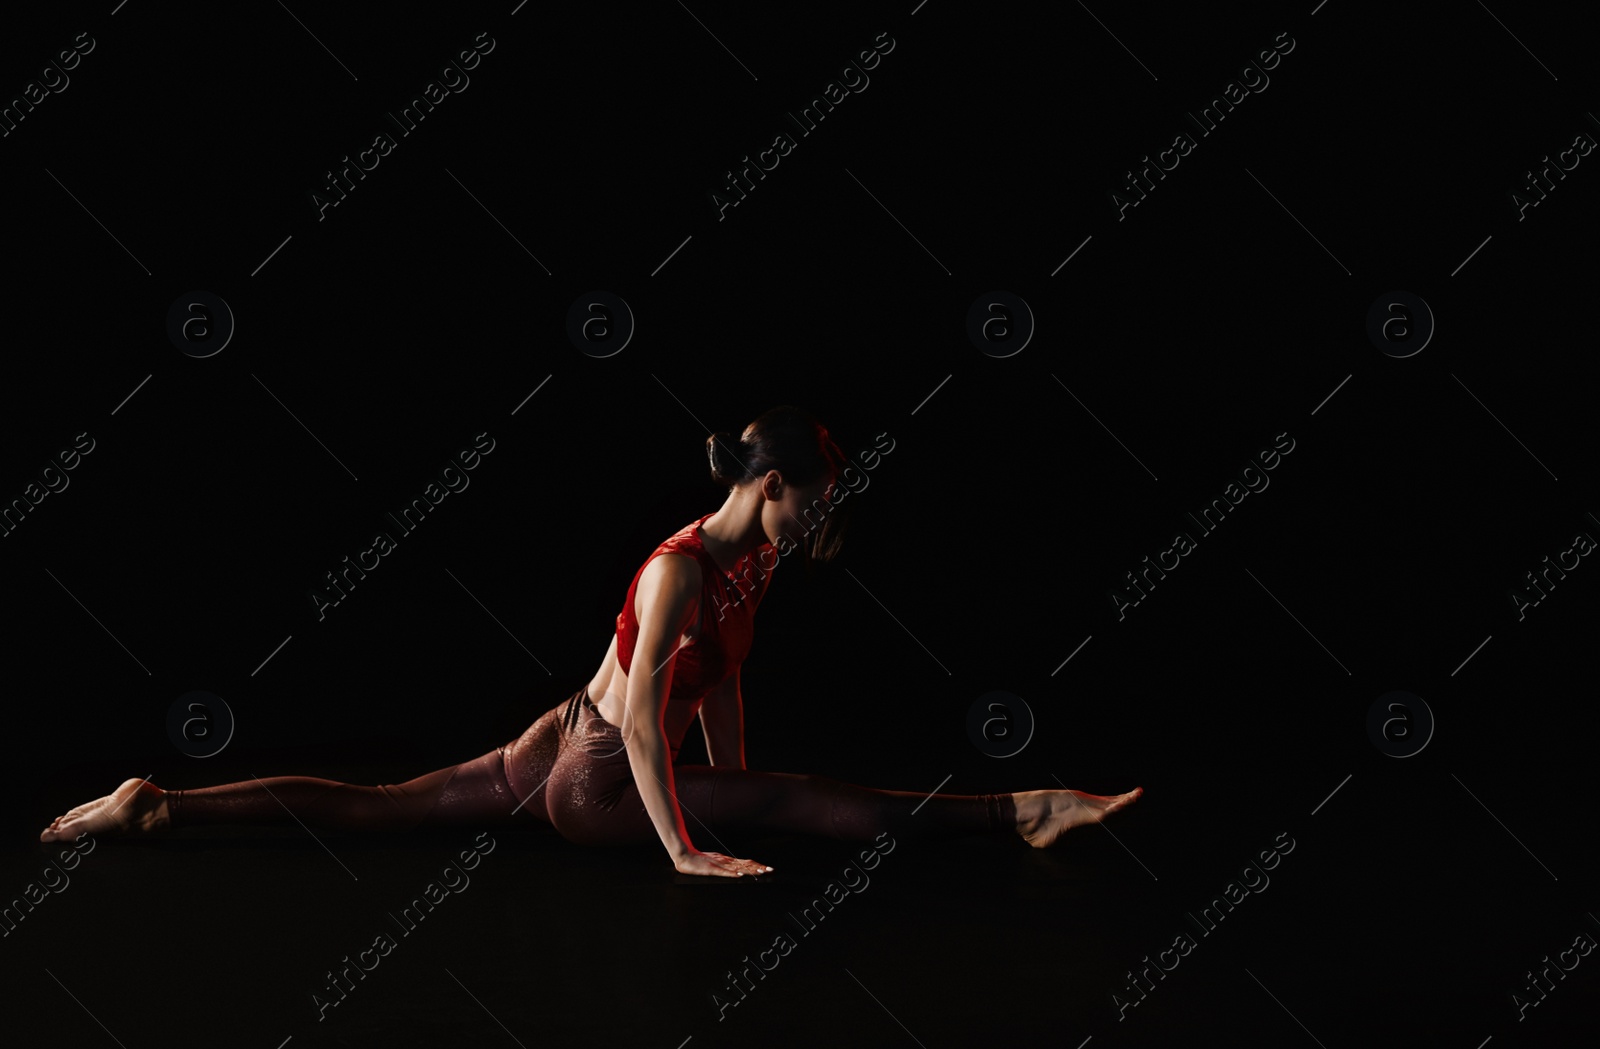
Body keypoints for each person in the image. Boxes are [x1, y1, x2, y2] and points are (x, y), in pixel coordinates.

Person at [40, 406, 1141, 877]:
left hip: (559, 738)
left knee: (385, 805)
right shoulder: (674, 571)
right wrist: (684, 841)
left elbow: (720, 684)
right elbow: (649, 731)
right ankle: (1024, 810)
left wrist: (731, 784)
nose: (822, 517)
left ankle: (159, 803)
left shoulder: (750, 558)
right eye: (814, 498)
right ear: (769, 487)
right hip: (598, 778)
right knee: (802, 794)